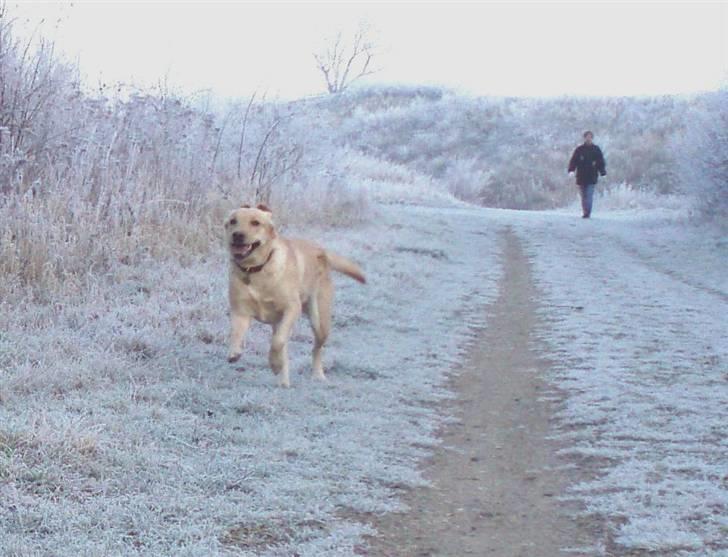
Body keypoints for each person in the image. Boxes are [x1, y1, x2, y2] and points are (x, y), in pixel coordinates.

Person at [568, 131, 606, 218]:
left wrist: (602, 172)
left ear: (592, 138)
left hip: (592, 176)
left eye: (590, 137)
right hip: (581, 176)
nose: (588, 138)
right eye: (587, 137)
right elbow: (573, 161)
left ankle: (587, 213)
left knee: (589, 195)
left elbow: (601, 161)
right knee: (583, 196)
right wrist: (571, 170)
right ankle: (585, 211)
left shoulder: (596, 149)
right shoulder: (579, 149)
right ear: (584, 138)